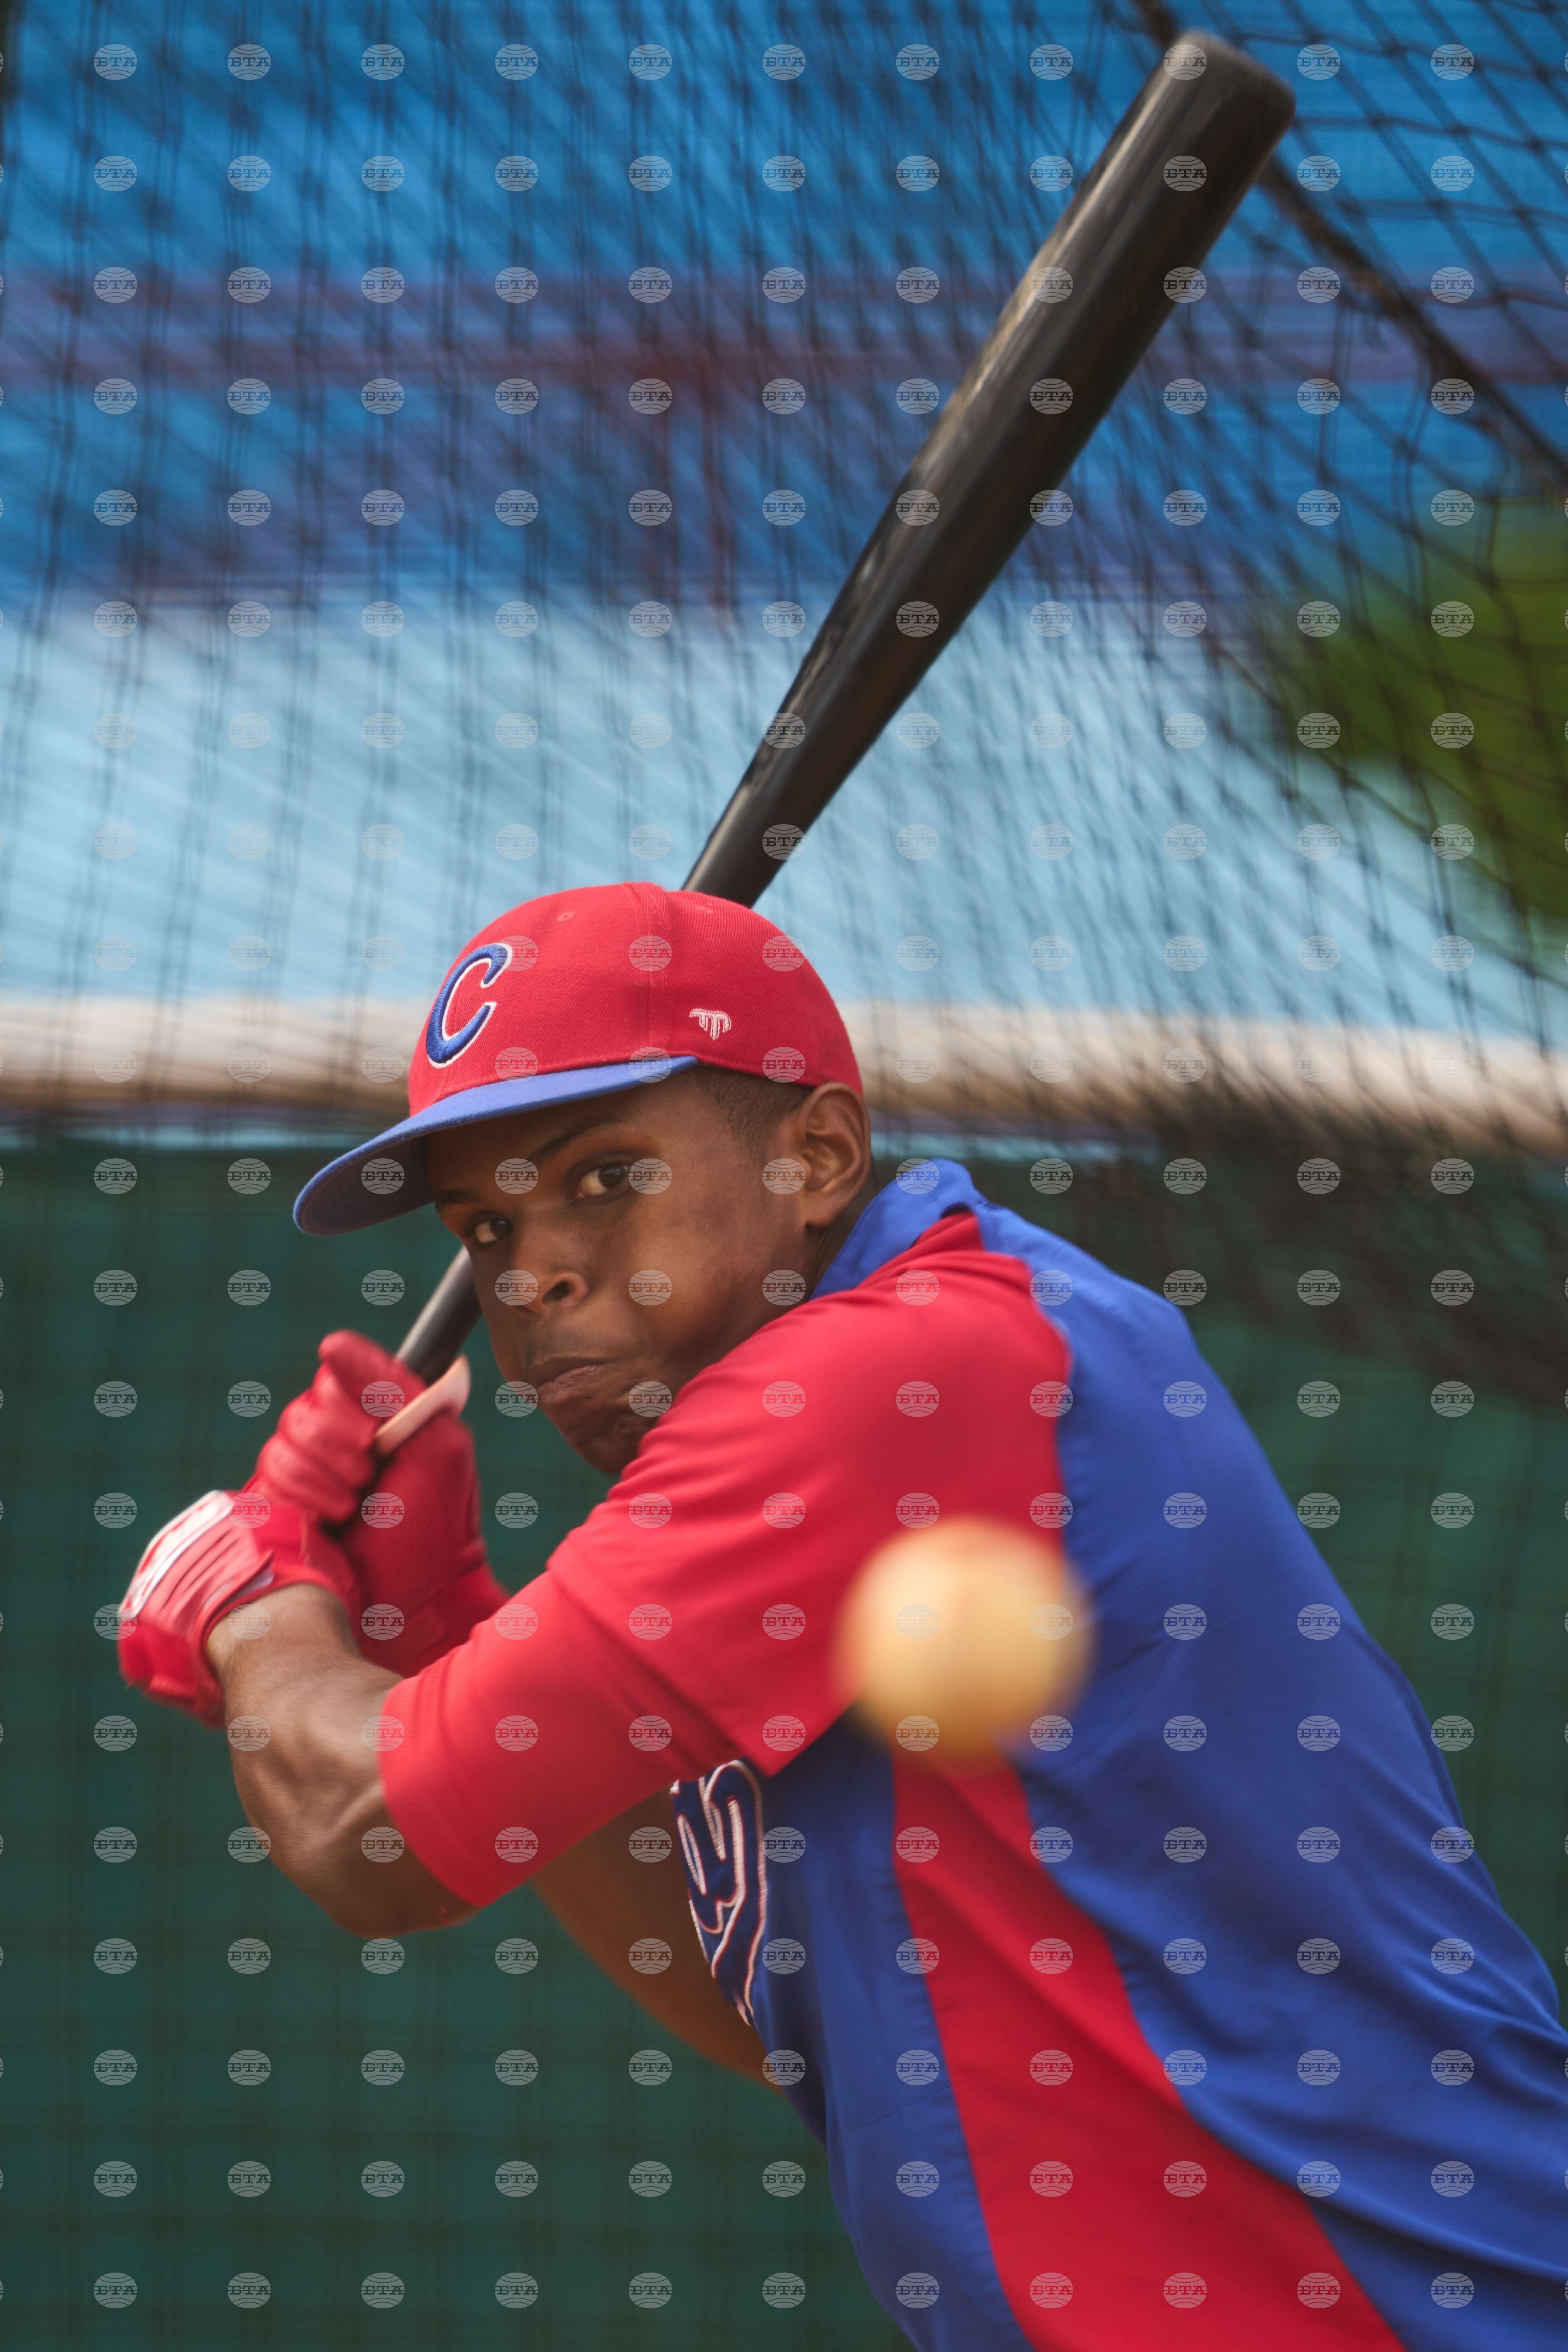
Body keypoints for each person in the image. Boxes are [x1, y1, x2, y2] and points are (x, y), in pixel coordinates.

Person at [121, 882, 1568, 2348]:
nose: (532, 1269)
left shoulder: (888, 1379)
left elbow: (369, 1839)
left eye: (604, 1177)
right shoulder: (920, 1374)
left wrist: (246, 1595)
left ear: (815, 1155)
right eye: (486, 1222)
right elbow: (786, 2012)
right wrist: (437, 1621)